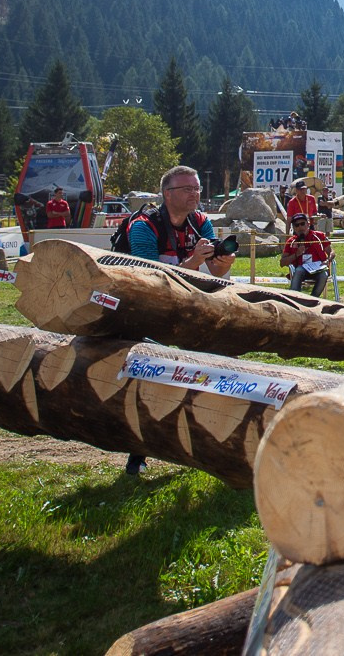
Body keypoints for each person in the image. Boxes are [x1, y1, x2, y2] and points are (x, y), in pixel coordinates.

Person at [122, 166, 234, 475]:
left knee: (210, 365)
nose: (195, 194)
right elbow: (152, 279)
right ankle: (137, 455)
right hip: (141, 310)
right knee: (150, 377)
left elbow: (217, 274)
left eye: (197, 189)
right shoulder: (144, 226)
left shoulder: (200, 223)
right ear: (167, 194)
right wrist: (194, 261)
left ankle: (201, 441)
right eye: (187, 189)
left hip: (184, 310)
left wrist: (221, 262)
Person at [280, 210, 333, 296]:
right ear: (294, 228)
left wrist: (328, 260)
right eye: (296, 225)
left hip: (318, 269)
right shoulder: (291, 241)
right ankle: (294, 299)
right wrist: (296, 254)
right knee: (298, 270)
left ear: (308, 224)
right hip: (302, 270)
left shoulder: (319, 236)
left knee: (324, 274)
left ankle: (313, 299)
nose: (300, 227)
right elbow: (282, 263)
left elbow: (332, 252)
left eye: (302, 224)